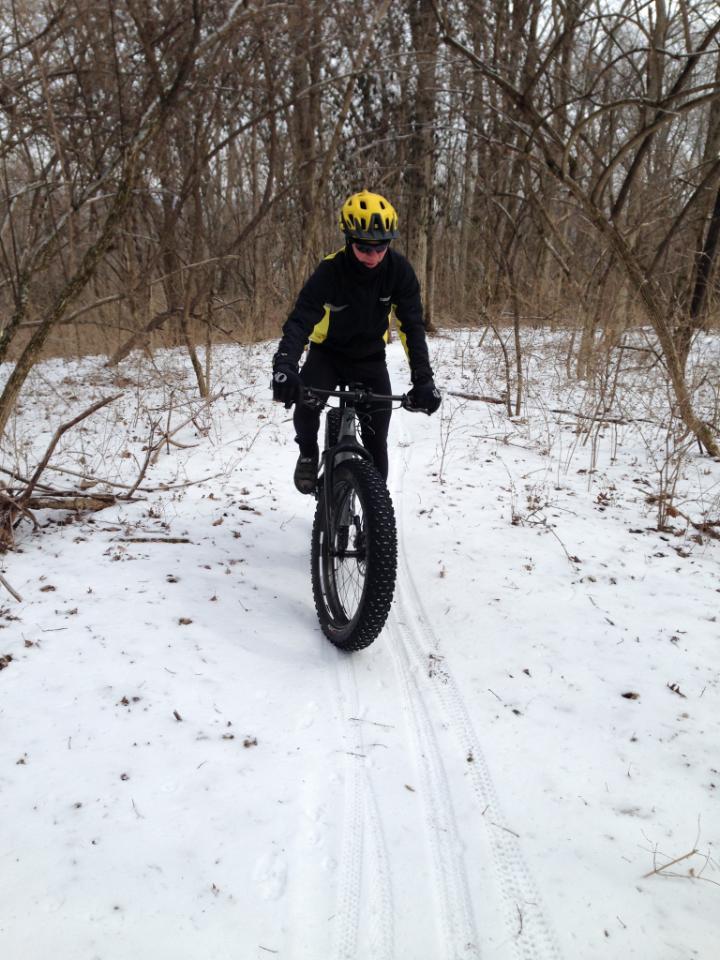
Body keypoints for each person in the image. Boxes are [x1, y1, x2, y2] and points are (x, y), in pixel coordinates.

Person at [272, 189, 441, 493]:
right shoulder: (330, 271)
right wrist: (285, 364)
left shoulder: (399, 272)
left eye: (381, 247)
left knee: (378, 446)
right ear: (349, 240)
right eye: (365, 248)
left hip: (370, 359)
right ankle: (308, 453)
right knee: (306, 408)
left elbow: (412, 327)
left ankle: (373, 521)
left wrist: (424, 380)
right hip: (328, 355)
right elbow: (300, 320)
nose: (373, 256)